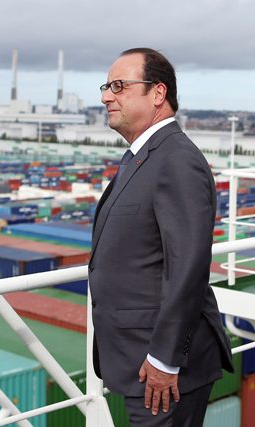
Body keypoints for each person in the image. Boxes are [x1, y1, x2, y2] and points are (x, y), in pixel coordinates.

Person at [89, 47, 234, 426]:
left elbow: (188, 267)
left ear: (158, 93)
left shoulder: (176, 160)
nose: (106, 96)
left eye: (119, 86)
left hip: (161, 373)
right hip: (138, 363)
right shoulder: (144, 157)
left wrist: (165, 359)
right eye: (106, 86)